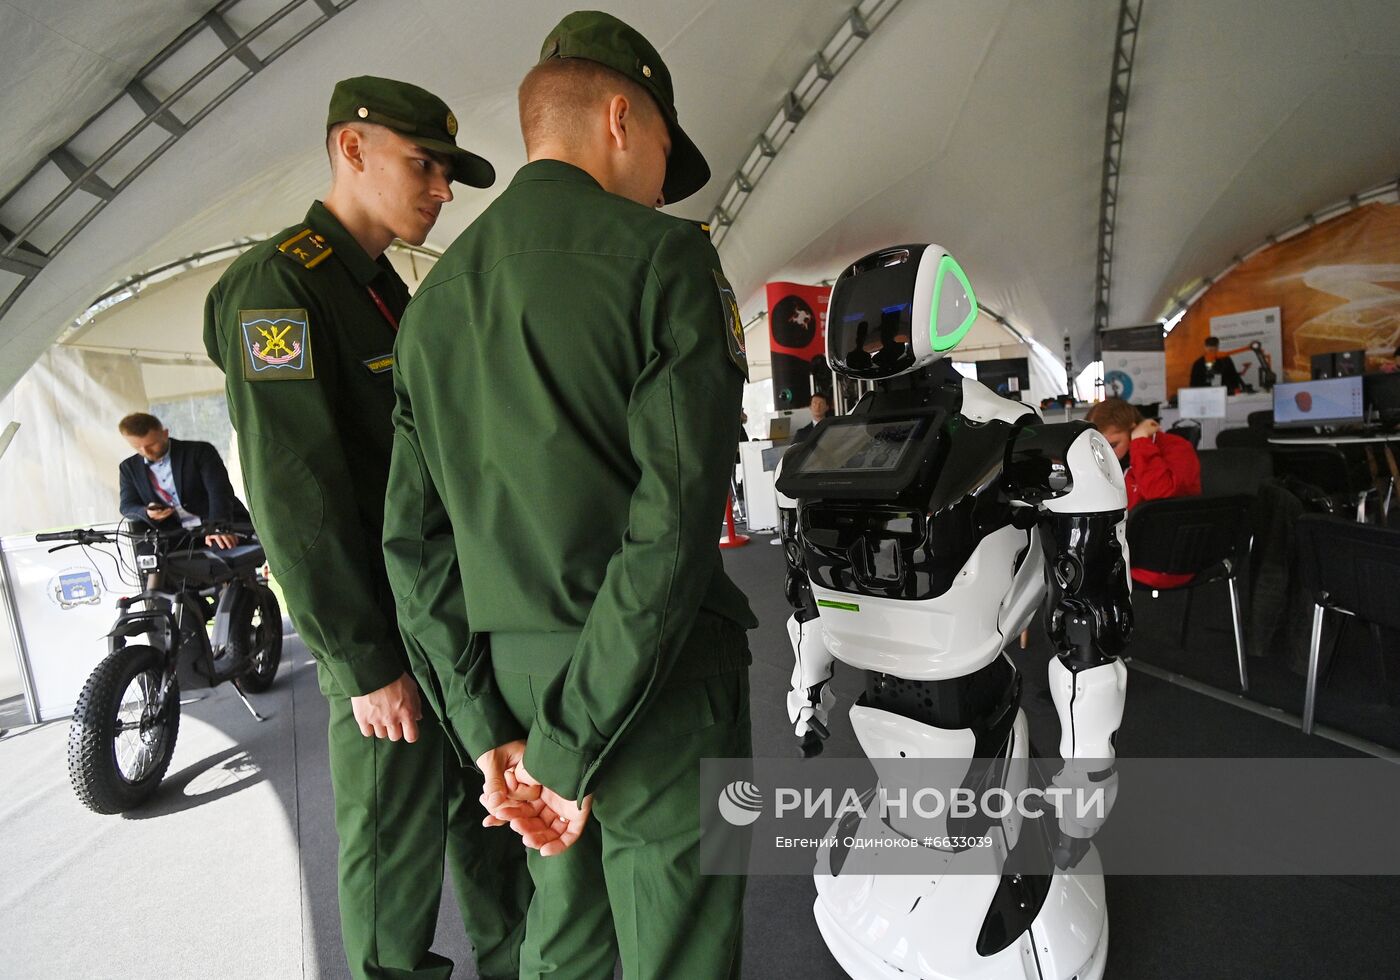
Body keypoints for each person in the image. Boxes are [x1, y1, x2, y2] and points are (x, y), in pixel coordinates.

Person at [383, 12, 757, 978]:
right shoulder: (666, 261)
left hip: (515, 693)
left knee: (570, 946)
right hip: (658, 695)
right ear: (622, 118)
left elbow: (415, 549)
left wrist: (492, 738)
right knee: (677, 950)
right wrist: (569, 744)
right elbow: (672, 528)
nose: (660, 186)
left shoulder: (432, 308)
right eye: (664, 154)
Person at [203, 76, 529, 980]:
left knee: (490, 822)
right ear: (353, 149)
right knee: (392, 857)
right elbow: (293, 494)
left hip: (447, 614)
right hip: (384, 632)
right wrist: (362, 662)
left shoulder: (383, 287)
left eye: (446, 171)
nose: (442, 189)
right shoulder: (279, 284)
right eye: (423, 164)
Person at [1085, 397, 1201, 588]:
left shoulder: (1176, 448)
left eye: (1113, 445)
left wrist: (1140, 443)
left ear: (1134, 429)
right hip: (1132, 553)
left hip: (1169, 558)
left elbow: (1160, 497)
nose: (1107, 455)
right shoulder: (1115, 459)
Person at [117, 412, 248, 550]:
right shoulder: (128, 468)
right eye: (138, 447)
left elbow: (220, 492)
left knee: (222, 554)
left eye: (152, 444)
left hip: (219, 524)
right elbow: (127, 506)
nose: (146, 451)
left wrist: (218, 528)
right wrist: (146, 512)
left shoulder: (199, 451)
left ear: (165, 433)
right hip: (174, 536)